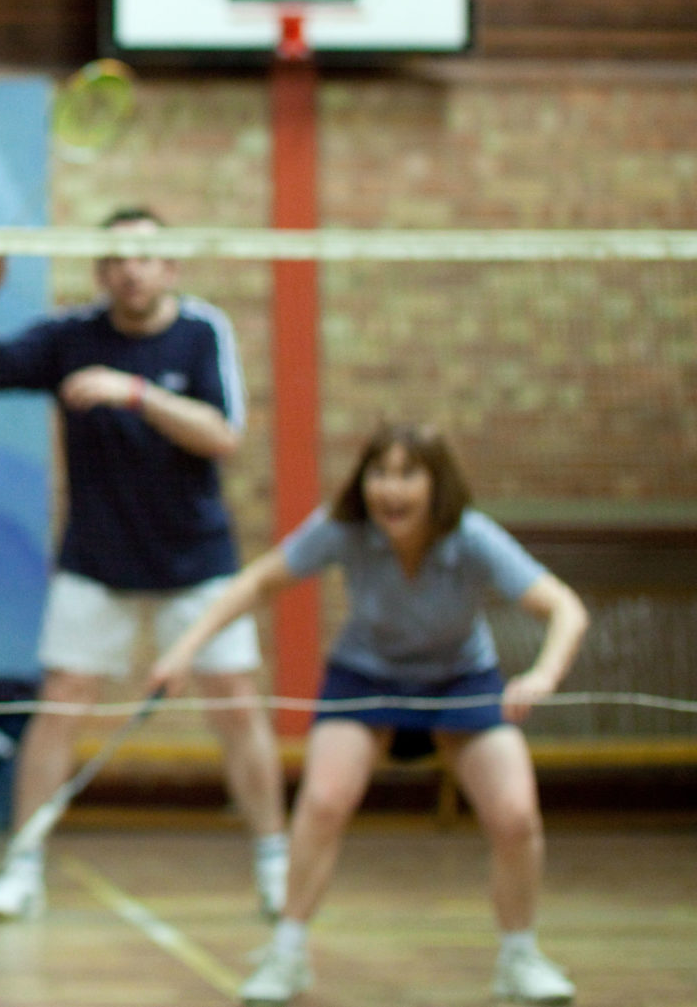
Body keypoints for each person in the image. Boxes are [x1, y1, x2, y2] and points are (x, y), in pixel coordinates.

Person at [151, 421, 589, 1006]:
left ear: (438, 486)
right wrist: (183, 651)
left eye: (408, 474)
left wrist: (542, 676)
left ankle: (520, 956)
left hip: (460, 681)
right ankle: (287, 953)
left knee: (515, 816)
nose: (391, 489)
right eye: (380, 473)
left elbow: (564, 607)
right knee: (325, 801)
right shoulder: (343, 529)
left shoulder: (472, 537)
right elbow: (257, 583)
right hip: (366, 678)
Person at [0, 208, 288, 921]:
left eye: (145, 255)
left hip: (196, 561)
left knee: (236, 706)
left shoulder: (202, 332)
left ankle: (274, 860)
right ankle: (22, 867)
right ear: (102, 271)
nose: (131, 268)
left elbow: (222, 434)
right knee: (60, 705)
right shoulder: (72, 335)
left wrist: (134, 392)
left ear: (169, 266)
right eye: (116, 257)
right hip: (96, 561)